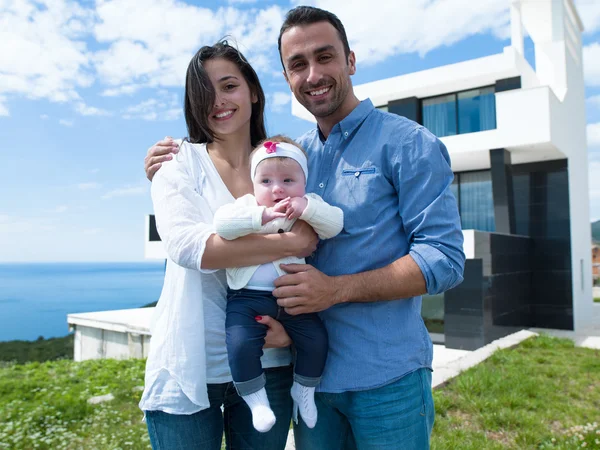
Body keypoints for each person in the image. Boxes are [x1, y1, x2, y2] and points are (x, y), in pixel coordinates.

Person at [145, 6, 465, 449]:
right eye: (298, 64)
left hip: (387, 377)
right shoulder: (291, 158)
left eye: (325, 57)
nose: (313, 74)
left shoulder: (409, 143)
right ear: (285, 77)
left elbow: (444, 260)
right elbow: (236, 241)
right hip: (309, 380)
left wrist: (335, 290)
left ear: (350, 60)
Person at [139, 40, 320, 450]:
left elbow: (319, 236)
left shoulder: (288, 163)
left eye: (228, 86)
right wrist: (290, 241)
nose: (218, 102)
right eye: (204, 94)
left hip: (269, 361)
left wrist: (293, 332)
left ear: (253, 90)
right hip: (188, 368)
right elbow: (189, 248)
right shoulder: (177, 162)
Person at [213, 135, 343, 433]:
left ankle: (304, 390)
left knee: (316, 341)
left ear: (303, 182)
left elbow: (335, 224)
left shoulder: (310, 206)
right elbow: (222, 224)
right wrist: (263, 215)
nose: (277, 189)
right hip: (246, 299)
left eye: (288, 180)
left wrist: (306, 208)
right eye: (266, 181)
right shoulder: (247, 207)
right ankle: (257, 401)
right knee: (240, 344)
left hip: (295, 297)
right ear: (254, 184)